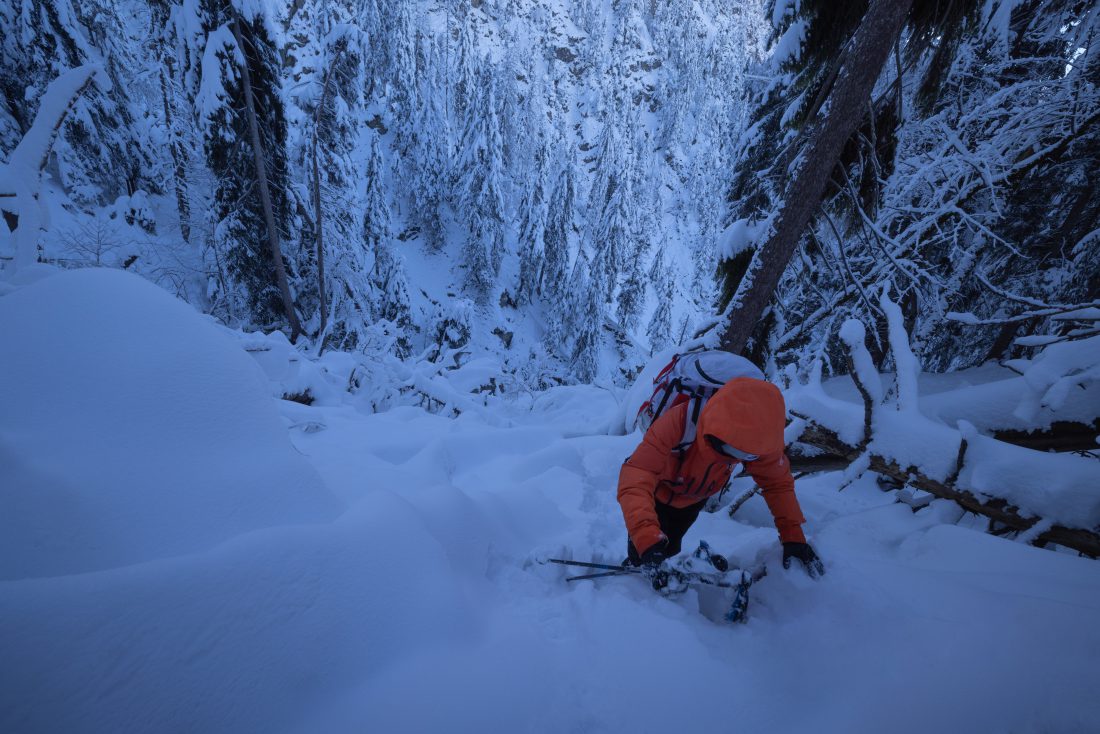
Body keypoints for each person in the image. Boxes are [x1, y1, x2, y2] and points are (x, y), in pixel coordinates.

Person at [617, 376, 824, 578]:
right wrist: (645, 534)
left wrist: (793, 535)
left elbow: (778, 484)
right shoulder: (682, 420)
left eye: (747, 455)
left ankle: (659, 580)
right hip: (657, 493)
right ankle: (634, 584)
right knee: (646, 549)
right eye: (730, 449)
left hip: (693, 500)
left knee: (669, 548)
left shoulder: (759, 439)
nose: (737, 458)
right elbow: (637, 472)